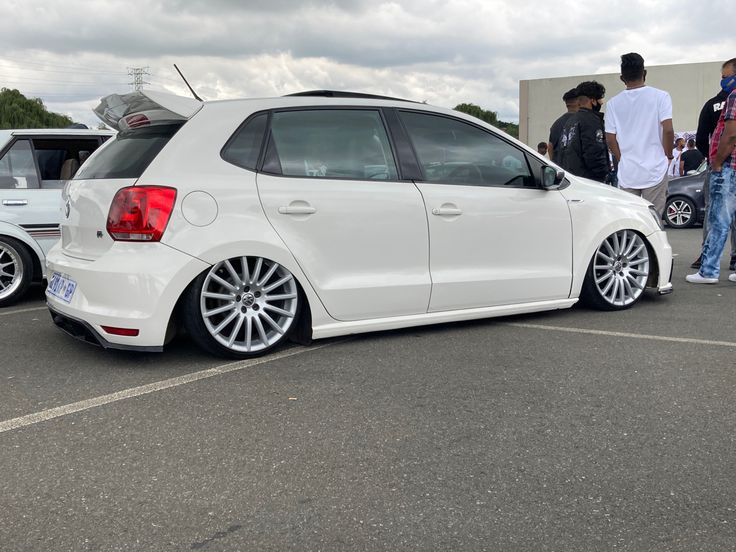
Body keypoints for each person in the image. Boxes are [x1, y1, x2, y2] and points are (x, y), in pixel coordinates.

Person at [605, 53, 674, 217]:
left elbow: (610, 137)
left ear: (622, 78)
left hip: (628, 171)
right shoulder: (661, 96)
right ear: (644, 73)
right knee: (654, 220)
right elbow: (668, 130)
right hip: (655, 168)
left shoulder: (613, 103)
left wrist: (622, 158)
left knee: (630, 220)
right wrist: (668, 154)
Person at [687, 59, 736, 284]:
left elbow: (730, 134)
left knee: (718, 219)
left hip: (727, 167)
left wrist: (716, 162)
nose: (723, 81)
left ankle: (708, 270)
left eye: (726, 76)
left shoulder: (733, 97)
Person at [558, 81, 610, 182]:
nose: (602, 103)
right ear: (593, 100)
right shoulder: (592, 121)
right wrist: (603, 174)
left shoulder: (570, 122)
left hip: (571, 179)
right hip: (589, 181)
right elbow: (594, 152)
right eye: (600, 99)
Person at [548, 88, 579, 164]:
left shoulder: (556, 124)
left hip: (560, 169)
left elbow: (550, 147)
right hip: (577, 172)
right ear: (578, 101)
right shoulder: (582, 121)